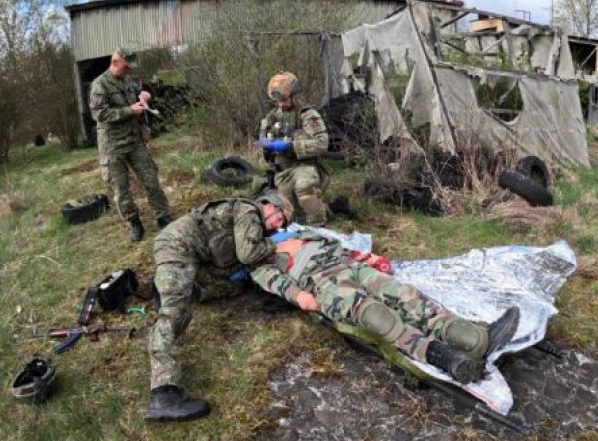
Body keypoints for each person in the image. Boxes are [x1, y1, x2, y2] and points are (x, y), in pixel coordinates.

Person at [248, 224, 521, 385]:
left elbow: (343, 250)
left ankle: (476, 340)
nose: (276, 217)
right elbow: (277, 284)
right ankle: (448, 359)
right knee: (376, 316)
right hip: (324, 283)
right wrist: (299, 296)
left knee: (407, 297)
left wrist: (369, 259)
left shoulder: (306, 234)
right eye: (268, 215)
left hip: (352, 267)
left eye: (276, 212)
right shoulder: (262, 261)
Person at [145, 192, 290, 422]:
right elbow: (248, 254)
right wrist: (278, 243)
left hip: (198, 256)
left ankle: (167, 284)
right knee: (175, 313)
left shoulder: (248, 218)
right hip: (178, 246)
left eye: (282, 225)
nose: (278, 226)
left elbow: (228, 257)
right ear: (270, 206)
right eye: (280, 218)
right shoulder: (249, 211)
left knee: (233, 287)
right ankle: (163, 394)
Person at [89, 46, 172, 243]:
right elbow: (99, 114)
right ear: (115, 62)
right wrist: (130, 111)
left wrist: (144, 95)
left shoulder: (127, 80)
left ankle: (162, 215)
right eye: (126, 66)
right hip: (113, 145)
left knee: (151, 179)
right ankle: (135, 223)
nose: (129, 70)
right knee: (121, 189)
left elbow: (138, 94)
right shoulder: (99, 85)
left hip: (134, 140)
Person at [256, 71, 332, 225]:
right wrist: (265, 147)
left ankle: (318, 225)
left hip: (304, 166)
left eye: (284, 100)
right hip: (282, 173)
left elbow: (322, 143)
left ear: (294, 95)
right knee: (290, 217)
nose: (281, 104)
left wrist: (290, 146)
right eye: (277, 101)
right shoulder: (271, 117)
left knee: (306, 192)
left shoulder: (307, 114)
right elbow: (262, 145)